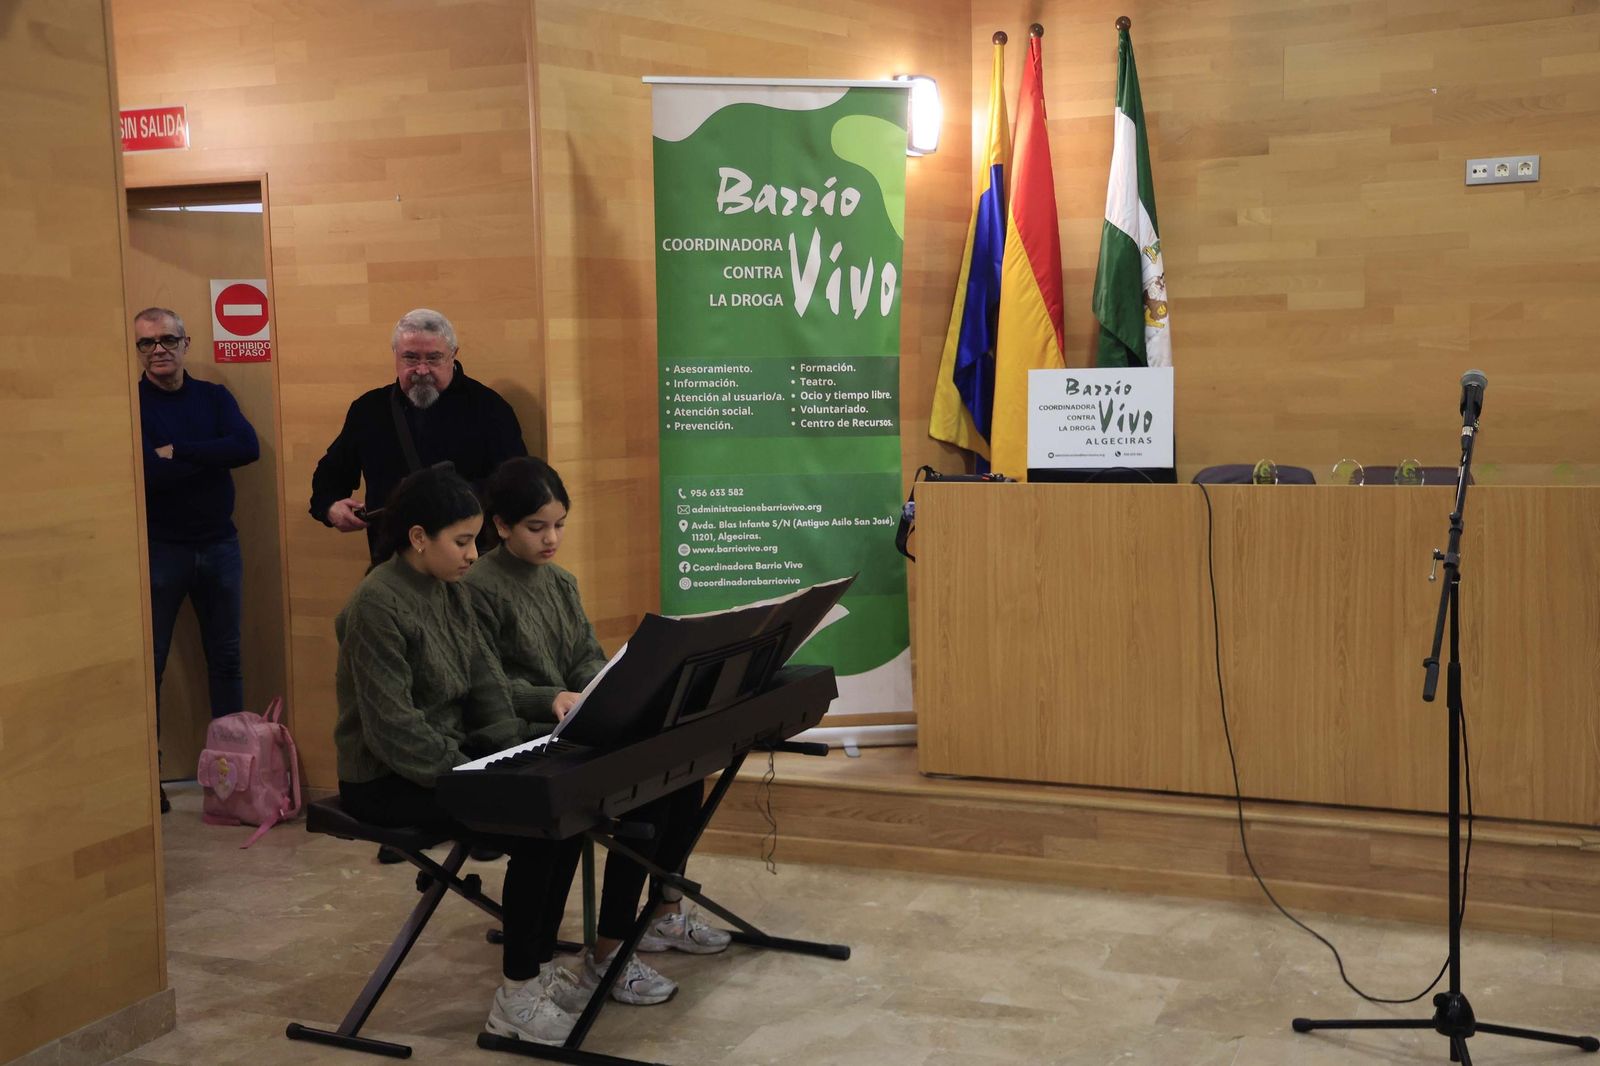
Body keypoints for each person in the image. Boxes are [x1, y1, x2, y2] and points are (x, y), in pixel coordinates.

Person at [333, 464, 587, 1045]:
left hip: (453, 760)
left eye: (476, 539)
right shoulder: (376, 604)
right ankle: (516, 995)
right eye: (464, 540)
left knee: (562, 804)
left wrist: (516, 752)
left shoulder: (449, 591)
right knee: (532, 824)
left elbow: (486, 686)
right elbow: (394, 729)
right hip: (387, 778)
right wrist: (473, 776)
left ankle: (541, 965)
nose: (475, 553)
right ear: (419, 537)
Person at [466, 457, 732, 1008]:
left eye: (560, 524)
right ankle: (610, 947)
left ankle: (661, 911)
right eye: (537, 527)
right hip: (532, 736)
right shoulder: (477, 588)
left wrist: (616, 691)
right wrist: (552, 698)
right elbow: (484, 684)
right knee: (640, 802)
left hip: (579, 724)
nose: (552, 538)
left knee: (681, 772)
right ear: (501, 525)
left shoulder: (561, 582)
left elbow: (588, 658)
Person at [134, 307, 260, 814]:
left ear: (186, 343)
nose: (158, 349)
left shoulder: (213, 396)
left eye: (167, 339)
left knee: (226, 661)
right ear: (138, 351)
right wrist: (208, 455)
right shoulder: (131, 404)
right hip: (161, 550)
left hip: (220, 544)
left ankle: (233, 781)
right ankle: (150, 779)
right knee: (153, 666)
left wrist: (177, 450)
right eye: (147, 343)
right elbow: (148, 474)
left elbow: (247, 447)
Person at [309, 308, 527, 560]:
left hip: (468, 565)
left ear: (453, 355)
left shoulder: (489, 408)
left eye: (433, 358)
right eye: (411, 358)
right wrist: (331, 507)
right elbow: (329, 478)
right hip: (394, 565)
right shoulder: (368, 410)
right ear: (396, 355)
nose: (422, 370)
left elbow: (516, 487)